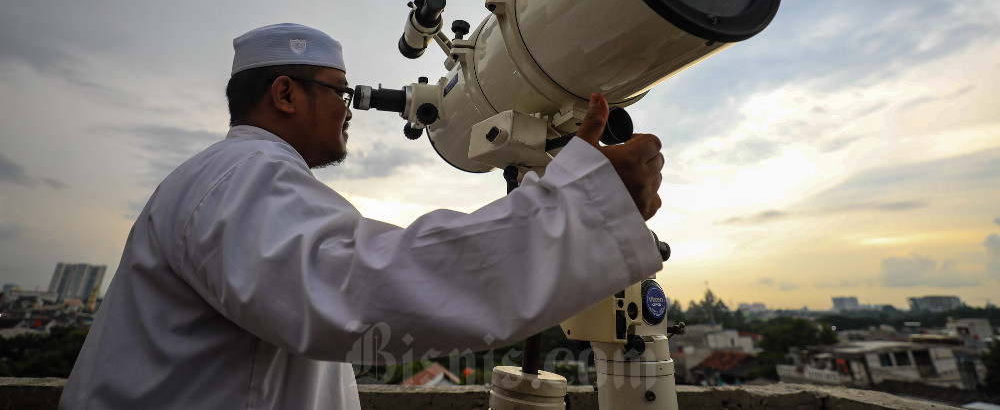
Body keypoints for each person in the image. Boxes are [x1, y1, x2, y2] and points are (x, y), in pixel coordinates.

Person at [62, 23, 664, 409]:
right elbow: (370, 290)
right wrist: (584, 208)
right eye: (340, 93)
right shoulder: (242, 177)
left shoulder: (233, 178)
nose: (350, 110)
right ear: (286, 94)